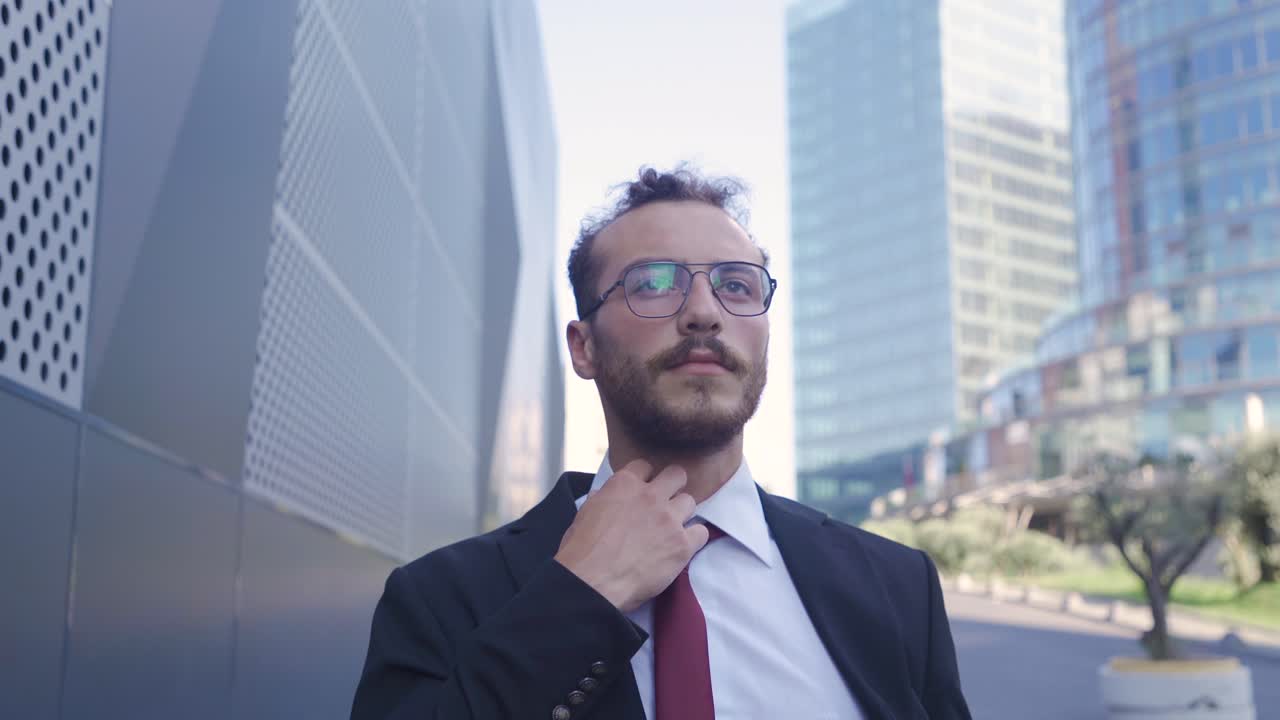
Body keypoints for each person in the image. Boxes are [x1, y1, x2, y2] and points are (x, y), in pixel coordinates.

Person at [350, 167, 972, 720]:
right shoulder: (437, 598)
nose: (703, 312)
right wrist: (578, 597)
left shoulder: (896, 586)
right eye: (652, 283)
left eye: (736, 285)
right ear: (583, 347)